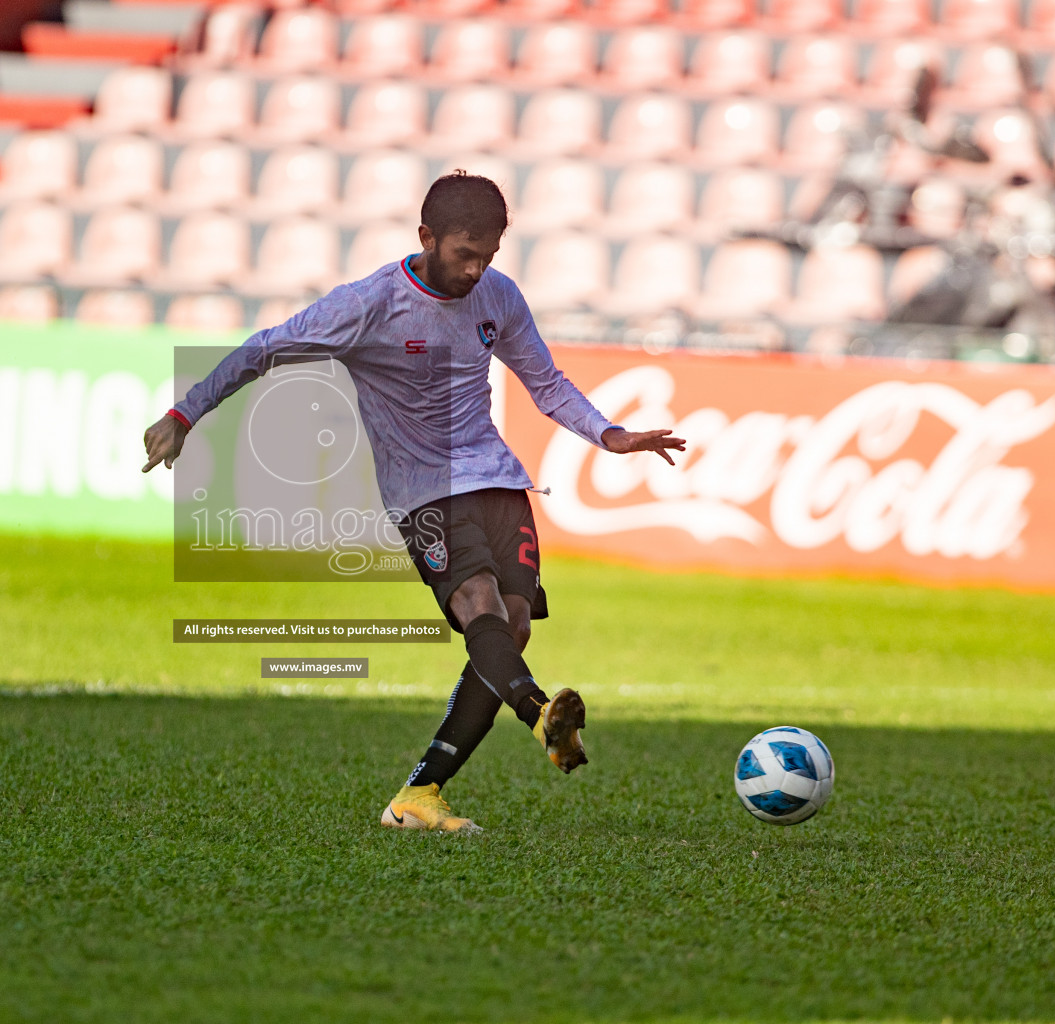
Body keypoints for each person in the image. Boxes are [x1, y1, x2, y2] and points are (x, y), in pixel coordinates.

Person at [142, 172, 685, 832]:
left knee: (510, 628)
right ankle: (540, 712)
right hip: (423, 491)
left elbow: (546, 382)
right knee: (479, 606)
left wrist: (611, 434)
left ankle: (419, 795)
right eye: (464, 253)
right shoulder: (369, 304)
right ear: (426, 237)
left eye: (488, 254)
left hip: (496, 480)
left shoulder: (498, 296)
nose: (476, 268)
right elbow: (265, 349)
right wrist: (186, 412)